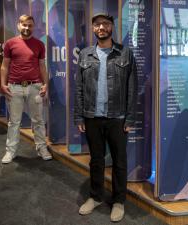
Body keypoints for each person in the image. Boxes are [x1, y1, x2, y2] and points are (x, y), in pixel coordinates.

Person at [74, 13, 138, 222]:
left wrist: (129, 118)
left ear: (112, 27)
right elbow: (79, 89)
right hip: (92, 117)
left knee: (120, 162)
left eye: (105, 24)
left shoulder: (125, 53)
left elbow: (132, 89)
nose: (101, 27)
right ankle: (96, 196)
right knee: (96, 161)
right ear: (93, 28)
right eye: (97, 24)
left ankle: (119, 201)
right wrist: (79, 117)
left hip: (117, 118)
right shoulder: (85, 54)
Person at [0, 15, 52, 163]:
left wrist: (45, 84)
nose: (27, 28)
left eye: (30, 25)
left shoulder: (39, 45)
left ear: (33, 27)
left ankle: (42, 148)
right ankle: (11, 151)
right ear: (18, 25)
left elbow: (42, 66)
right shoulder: (10, 44)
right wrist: (3, 84)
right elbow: (4, 66)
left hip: (35, 87)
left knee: (38, 120)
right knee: (14, 122)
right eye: (24, 25)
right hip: (14, 87)